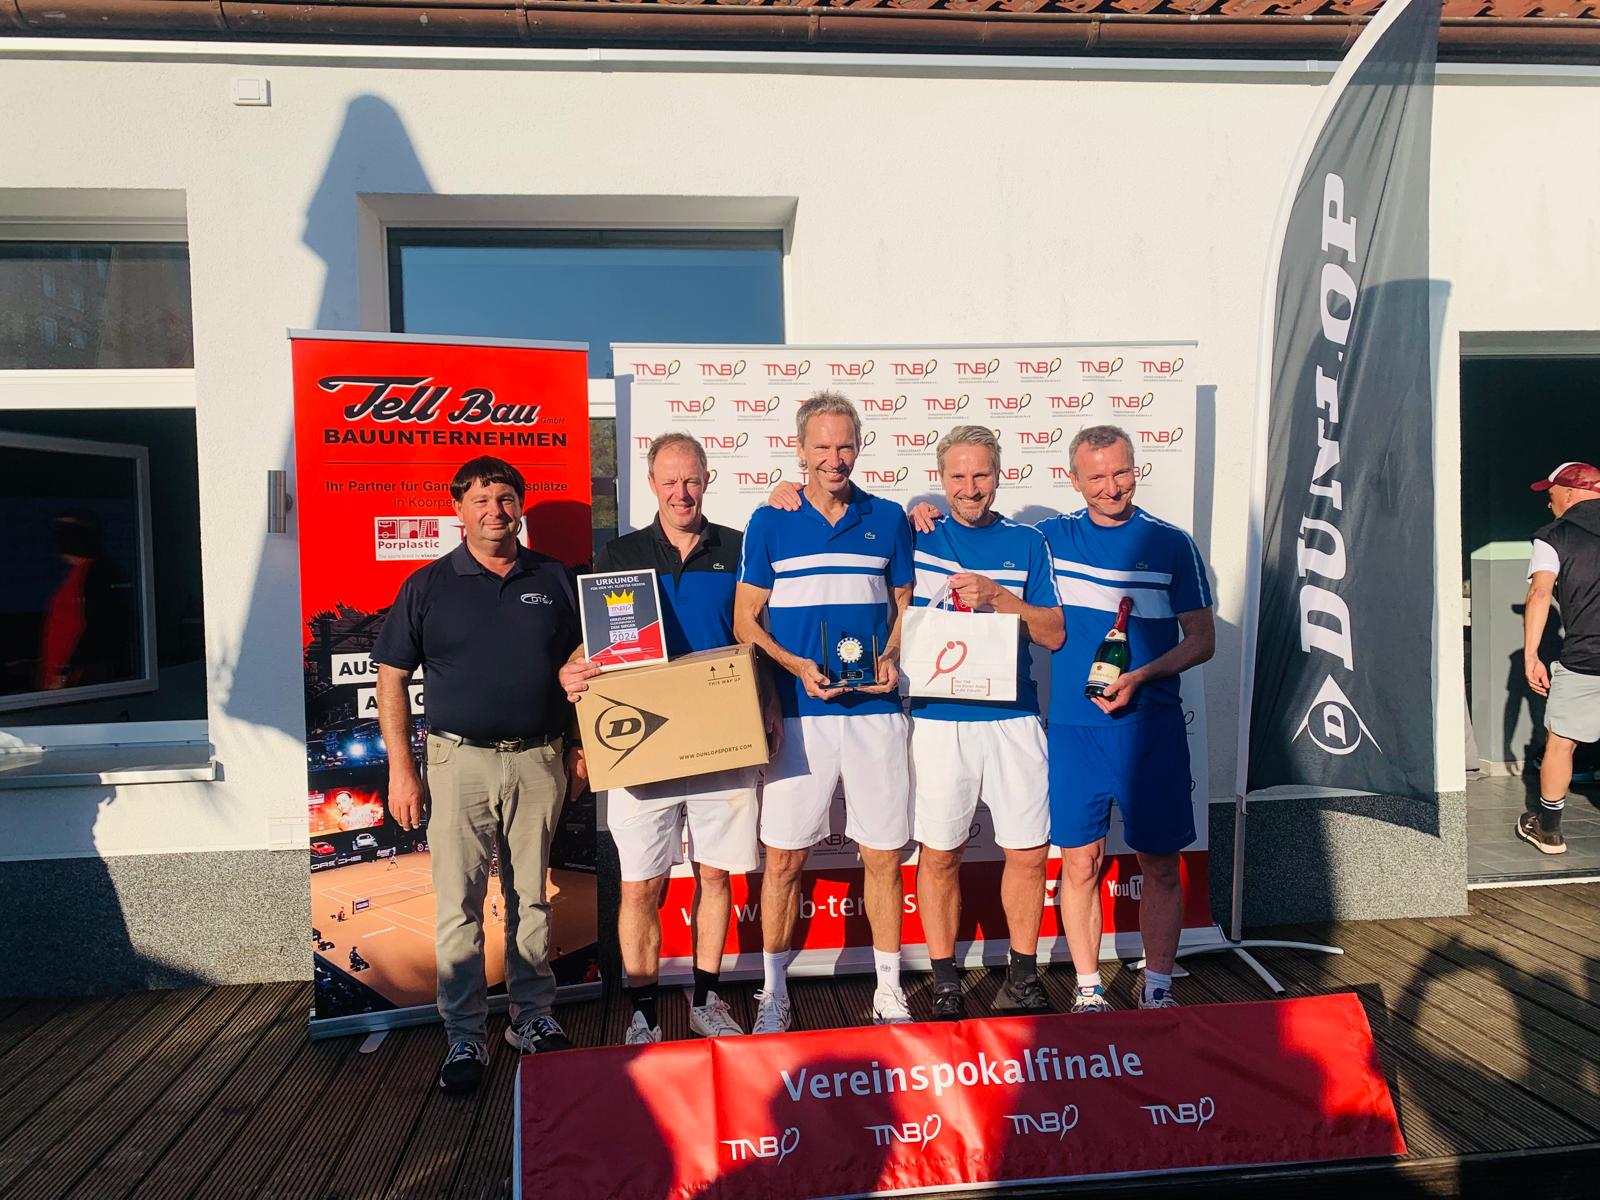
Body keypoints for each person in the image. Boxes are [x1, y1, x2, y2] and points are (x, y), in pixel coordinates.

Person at [373, 455, 585, 1095]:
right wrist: (402, 770)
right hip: (457, 761)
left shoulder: (555, 577)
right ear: (458, 510)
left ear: (521, 505)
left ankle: (532, 1016)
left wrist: (581, 748)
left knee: (531, 898)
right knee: (459, 904)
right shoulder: (428, 585)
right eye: (482, 500)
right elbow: (390, 680)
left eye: (507, 498)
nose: (496, 510)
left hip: (539, 758)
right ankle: (464, 1034)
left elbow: (591, 660)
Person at [560, 432, 778, 1046]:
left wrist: (769, 702)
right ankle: (644, 1015)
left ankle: (707, 1001)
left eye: (692, 480)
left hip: (723, 738)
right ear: (652, 485)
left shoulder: (738, 547)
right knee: (641, 886)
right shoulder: (620, 553)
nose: (682, 493)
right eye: (670, 481)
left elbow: (758, 631)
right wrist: (571, 669)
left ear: (707, 480)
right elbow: (597, 642)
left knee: (716, 877)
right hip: (642, 743)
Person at [735, 392, 915, 1033]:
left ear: (859, 447)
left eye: (844, 446)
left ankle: (889, 989)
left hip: (875, 715)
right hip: (799, 713)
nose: (833, 458)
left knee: (883, 855)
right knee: (784, 859)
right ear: (801, 450)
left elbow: (905, 603)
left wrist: (891, 654)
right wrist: (795, 666)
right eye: (821, 447)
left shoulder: (888, 517)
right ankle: (774, 993)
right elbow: (745, 620)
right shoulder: (769, 520)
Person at [1036, 426, 1214, 1011]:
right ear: (1073, 479)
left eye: (1121, 472)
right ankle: (1088, 991)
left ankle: (1157, 989)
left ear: (1136, 469)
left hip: (1151, 728)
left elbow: (1202, 640)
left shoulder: (1171, 543)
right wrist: (925, 516)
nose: (1111, 487)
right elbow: (979, 537)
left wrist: (1141, 676)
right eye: (1097, 477)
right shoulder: (1049, 538)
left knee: (1158, 865)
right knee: (1079, 863)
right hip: (1075, 729)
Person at [903, 427, 1064, 1018]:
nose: (970, 488)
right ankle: (946, 981)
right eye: (958, 476)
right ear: (940, 479)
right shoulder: (914, 533)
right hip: (938, 718)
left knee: (1028, 851)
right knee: (940, 853)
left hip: (1013, 717)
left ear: (999, 475)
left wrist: (1000, 598)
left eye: (981, 475)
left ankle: (1022, 977)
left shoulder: (1027, 543)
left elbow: (1054, 633)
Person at [1519, 461, 1600, 855]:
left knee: (1560, 743)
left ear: (1569, 492)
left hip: (1585, 658)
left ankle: (1549, 830)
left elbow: (1539, 594)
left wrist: (1531, 655)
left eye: (1550, 495)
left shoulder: (1554, 535)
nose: (1548, 503)